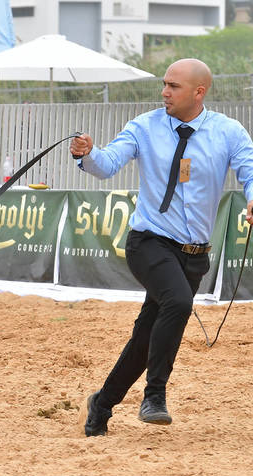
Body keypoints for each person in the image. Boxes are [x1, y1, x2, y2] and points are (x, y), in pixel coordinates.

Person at [69, 58, 253, 437]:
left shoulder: (229, 132)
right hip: (149, 242)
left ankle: (101, 404)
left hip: (194, 255)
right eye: (164, 84)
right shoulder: (144, 126)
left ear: (199, 92)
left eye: (174, 86)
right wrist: (87, 152)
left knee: (146, 337)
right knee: (178, 304)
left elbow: (250, 172)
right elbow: (107, 164)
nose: (164, 92)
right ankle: (154, 395)